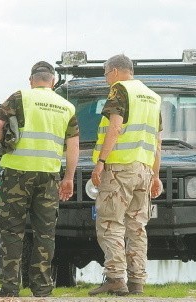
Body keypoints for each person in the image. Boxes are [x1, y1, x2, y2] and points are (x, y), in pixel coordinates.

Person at [0, 61, 79, 297]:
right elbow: (73, 146)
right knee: (45, 232)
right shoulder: (66, 106)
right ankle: (41, 288)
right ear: (54, 82)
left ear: (31, 80)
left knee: (11, 231)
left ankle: (9, 287)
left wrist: (4, 144)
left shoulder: (20, 97)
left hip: (17, 173)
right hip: (49, 175)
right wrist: (68, 177)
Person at [88, 54, 162, 296]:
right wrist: (156, 175)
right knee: (137, 227)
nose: (106, 78)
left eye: (106, 73)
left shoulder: (119, 90)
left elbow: (115, 127)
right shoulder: (153, 97)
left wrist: (101, 162)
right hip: (144, 170)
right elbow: (157, 142)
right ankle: (137, 281)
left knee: (110, 223)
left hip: (119, 168)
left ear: (117, 71)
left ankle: (115, 278)